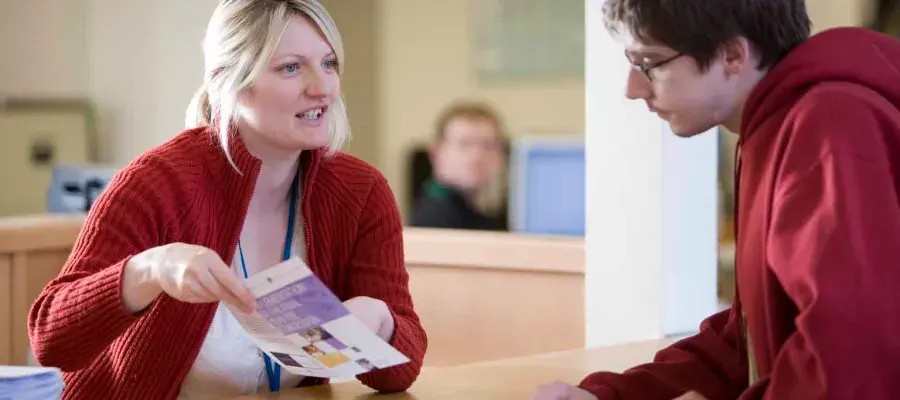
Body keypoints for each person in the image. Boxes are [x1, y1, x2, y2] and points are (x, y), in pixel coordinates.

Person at [27, 1, 427, 399]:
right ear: (232, 80)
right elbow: (51, 341)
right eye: (291, 67)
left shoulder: (361, 192)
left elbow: (399, 375)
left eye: (329, 64)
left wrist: (377, 319)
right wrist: (150, 269)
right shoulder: (155, 183)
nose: (322, 88)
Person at [532, 1, 900, 399]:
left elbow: (853, 355)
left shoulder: (829, 122)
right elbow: (750, 344)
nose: (633, 89)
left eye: (650, 63)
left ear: (732, 55)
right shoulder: (773, 127)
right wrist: (610, 395)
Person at [410, 101, 508, 231]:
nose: (477, 156)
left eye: (488, 145)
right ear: (437, 153)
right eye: (465, 144)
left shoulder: (486, 211)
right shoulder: (434, 217)